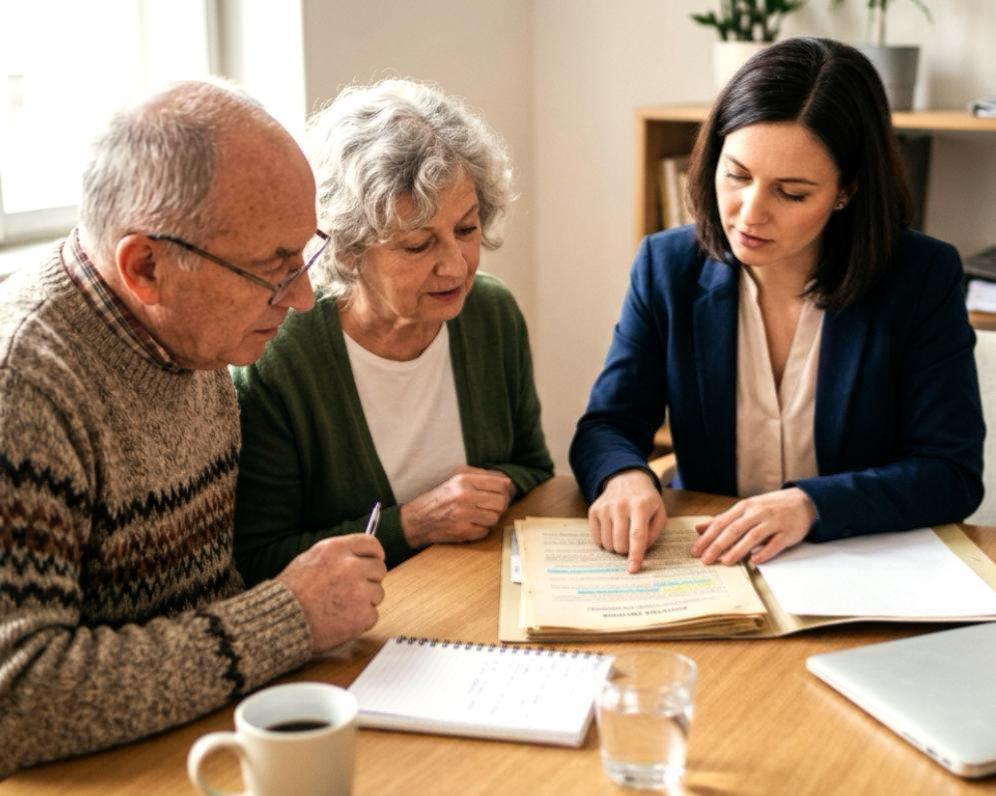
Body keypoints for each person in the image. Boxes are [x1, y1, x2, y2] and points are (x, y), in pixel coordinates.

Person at [0, 80, 387, 776]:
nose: (301, 297)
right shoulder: (23, 388)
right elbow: (18, 701)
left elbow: (202, 598)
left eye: (304, 254)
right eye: (273, 267)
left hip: (199, 744)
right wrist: (285, 619)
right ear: (145, 267)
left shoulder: (199, 333)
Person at [570, 37, 985, 573]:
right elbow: (607, 425)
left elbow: (950, 472)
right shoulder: (667, 265)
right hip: (711, 561)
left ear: (846, 191)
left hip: (854, 561)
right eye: (737, 175)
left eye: (791, 193)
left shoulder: (920, 277)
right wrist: (623, 475)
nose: (749, 214)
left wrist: (810, 505)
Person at [233, 79, 553, 584]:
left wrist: (497, 490)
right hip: (362, 631)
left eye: (466, 230)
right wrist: (414, 524)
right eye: (418, 246)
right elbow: (259, 560)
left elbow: (535, 472)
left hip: (477, 596)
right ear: (347, 249)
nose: (455, 267)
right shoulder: (281, 357)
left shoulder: (491, 313)